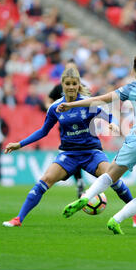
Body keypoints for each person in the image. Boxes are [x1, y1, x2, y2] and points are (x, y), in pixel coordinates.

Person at [57, 44, 136, 235]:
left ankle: (87, 196)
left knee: (110, 175)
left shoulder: (132, 87)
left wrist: (72, 104)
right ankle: (117, 219)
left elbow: (101, 99)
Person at [2, 67, 136, 227]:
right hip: (69, 154)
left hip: (92, 153)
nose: (71, 86)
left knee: (113, 177)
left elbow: (109, 116)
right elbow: (43, 131)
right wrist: (20, 144)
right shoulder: (55, 107)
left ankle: (134, 211)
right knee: (45, 180)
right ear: (62, 84)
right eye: (67, 83)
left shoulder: (88, 103)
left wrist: (113, 125)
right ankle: (19, 219)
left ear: (78, 85)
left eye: (74, 83)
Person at [46, 61, 87, 198]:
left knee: (80, 154)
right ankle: (79, 179)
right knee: (72, 153)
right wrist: (51, 109)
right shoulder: (59, 87)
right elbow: (49, 100)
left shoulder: (81, 88)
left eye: (73, 69)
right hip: (65, 127)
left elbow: (92, 107)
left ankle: (77, 178)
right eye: (68, 69)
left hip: (82, 128)